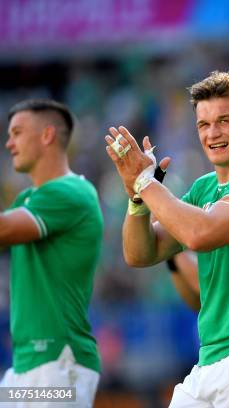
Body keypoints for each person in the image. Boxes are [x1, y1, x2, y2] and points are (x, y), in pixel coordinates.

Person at [103, 71, 229, 407]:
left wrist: (146, 182)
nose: (213, 133)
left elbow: (200, 234)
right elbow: (139, 253)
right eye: (204, 124)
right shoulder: (203, 188)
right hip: (212, 357)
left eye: (224, 121)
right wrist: (137, 198)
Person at [0, 99, 103, 407]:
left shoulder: (71, 192)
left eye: (17, 132)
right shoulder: (28, 198)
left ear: (47, 135)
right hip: (26, 366)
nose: (9, 143)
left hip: (59, 364)